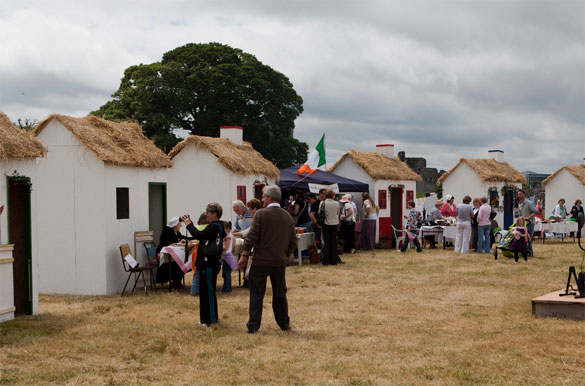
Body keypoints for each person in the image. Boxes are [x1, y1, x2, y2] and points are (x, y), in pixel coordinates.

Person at [237, 185, 297, 333]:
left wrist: (244, 255)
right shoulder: (287, 216)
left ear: (269, 197)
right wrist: (284, 254)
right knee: (280, 294)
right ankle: (284, 324)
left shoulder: (261, 214)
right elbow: (293, 241)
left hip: (261, 261)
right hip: (279, 262)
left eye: (263, 196)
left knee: (257, 294)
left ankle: (253, 326)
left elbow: (252, 237)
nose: (262, 199)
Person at [182, 203, 226, 326]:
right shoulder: (215, 226)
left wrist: (189, 224)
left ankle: (211, 320)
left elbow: (199, 235)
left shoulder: (215, 226)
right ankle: (204, 319)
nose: (206, 214)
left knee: (209, 291)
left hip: (209, 263)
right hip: (206, 262)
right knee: (204, 292)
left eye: (208, 212)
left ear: (215, 214)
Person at [155, 216, 187, 289]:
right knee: (180, 264)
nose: (181, 226)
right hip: (164, 254)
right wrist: (179, 242)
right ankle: (176, 282)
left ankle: (176, 282)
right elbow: (169, 243)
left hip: (173, 255)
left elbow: (182, 237)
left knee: (184, 262)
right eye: (179, 224)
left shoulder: (176, 232)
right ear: (175, 225)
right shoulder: (167, 232)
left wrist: (191, 239)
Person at [320, 190, 340, 265]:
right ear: (333, 196)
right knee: (334, 242)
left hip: (326, 224)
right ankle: (334, 260)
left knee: (326, 242)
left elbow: (320, 212)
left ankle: (326, 260)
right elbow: (338, 213)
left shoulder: (323, 203)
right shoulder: (337, 203)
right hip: (334, 224)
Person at [190, 213, 208, 296]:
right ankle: (200, 291)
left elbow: (195, 241)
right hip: (206, 251)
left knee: (197, 273)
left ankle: (194, 291)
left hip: (196, 251)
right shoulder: (209, 228)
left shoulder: (196, 227)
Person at [517, 189, 539, 257]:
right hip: (522, 224)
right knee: (522, 239)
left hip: (530, 223)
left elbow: (536, 212)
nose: (519, 195)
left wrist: (528, 217)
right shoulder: (519, 204)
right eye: (518, 194)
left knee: (528, 239)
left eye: (520, 194)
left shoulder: (529, 203)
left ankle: (531, 254)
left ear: (524, 195)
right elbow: (520, 214)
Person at [221, 221, 238, 293]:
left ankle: (227, 289)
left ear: (227, 229)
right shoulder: (227, 236)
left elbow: (226, 248)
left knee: (226, 274)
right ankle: (227, 288)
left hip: (227, 257)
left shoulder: (228, 236)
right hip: (226, 257)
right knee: (225, 274)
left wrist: (218, 246)